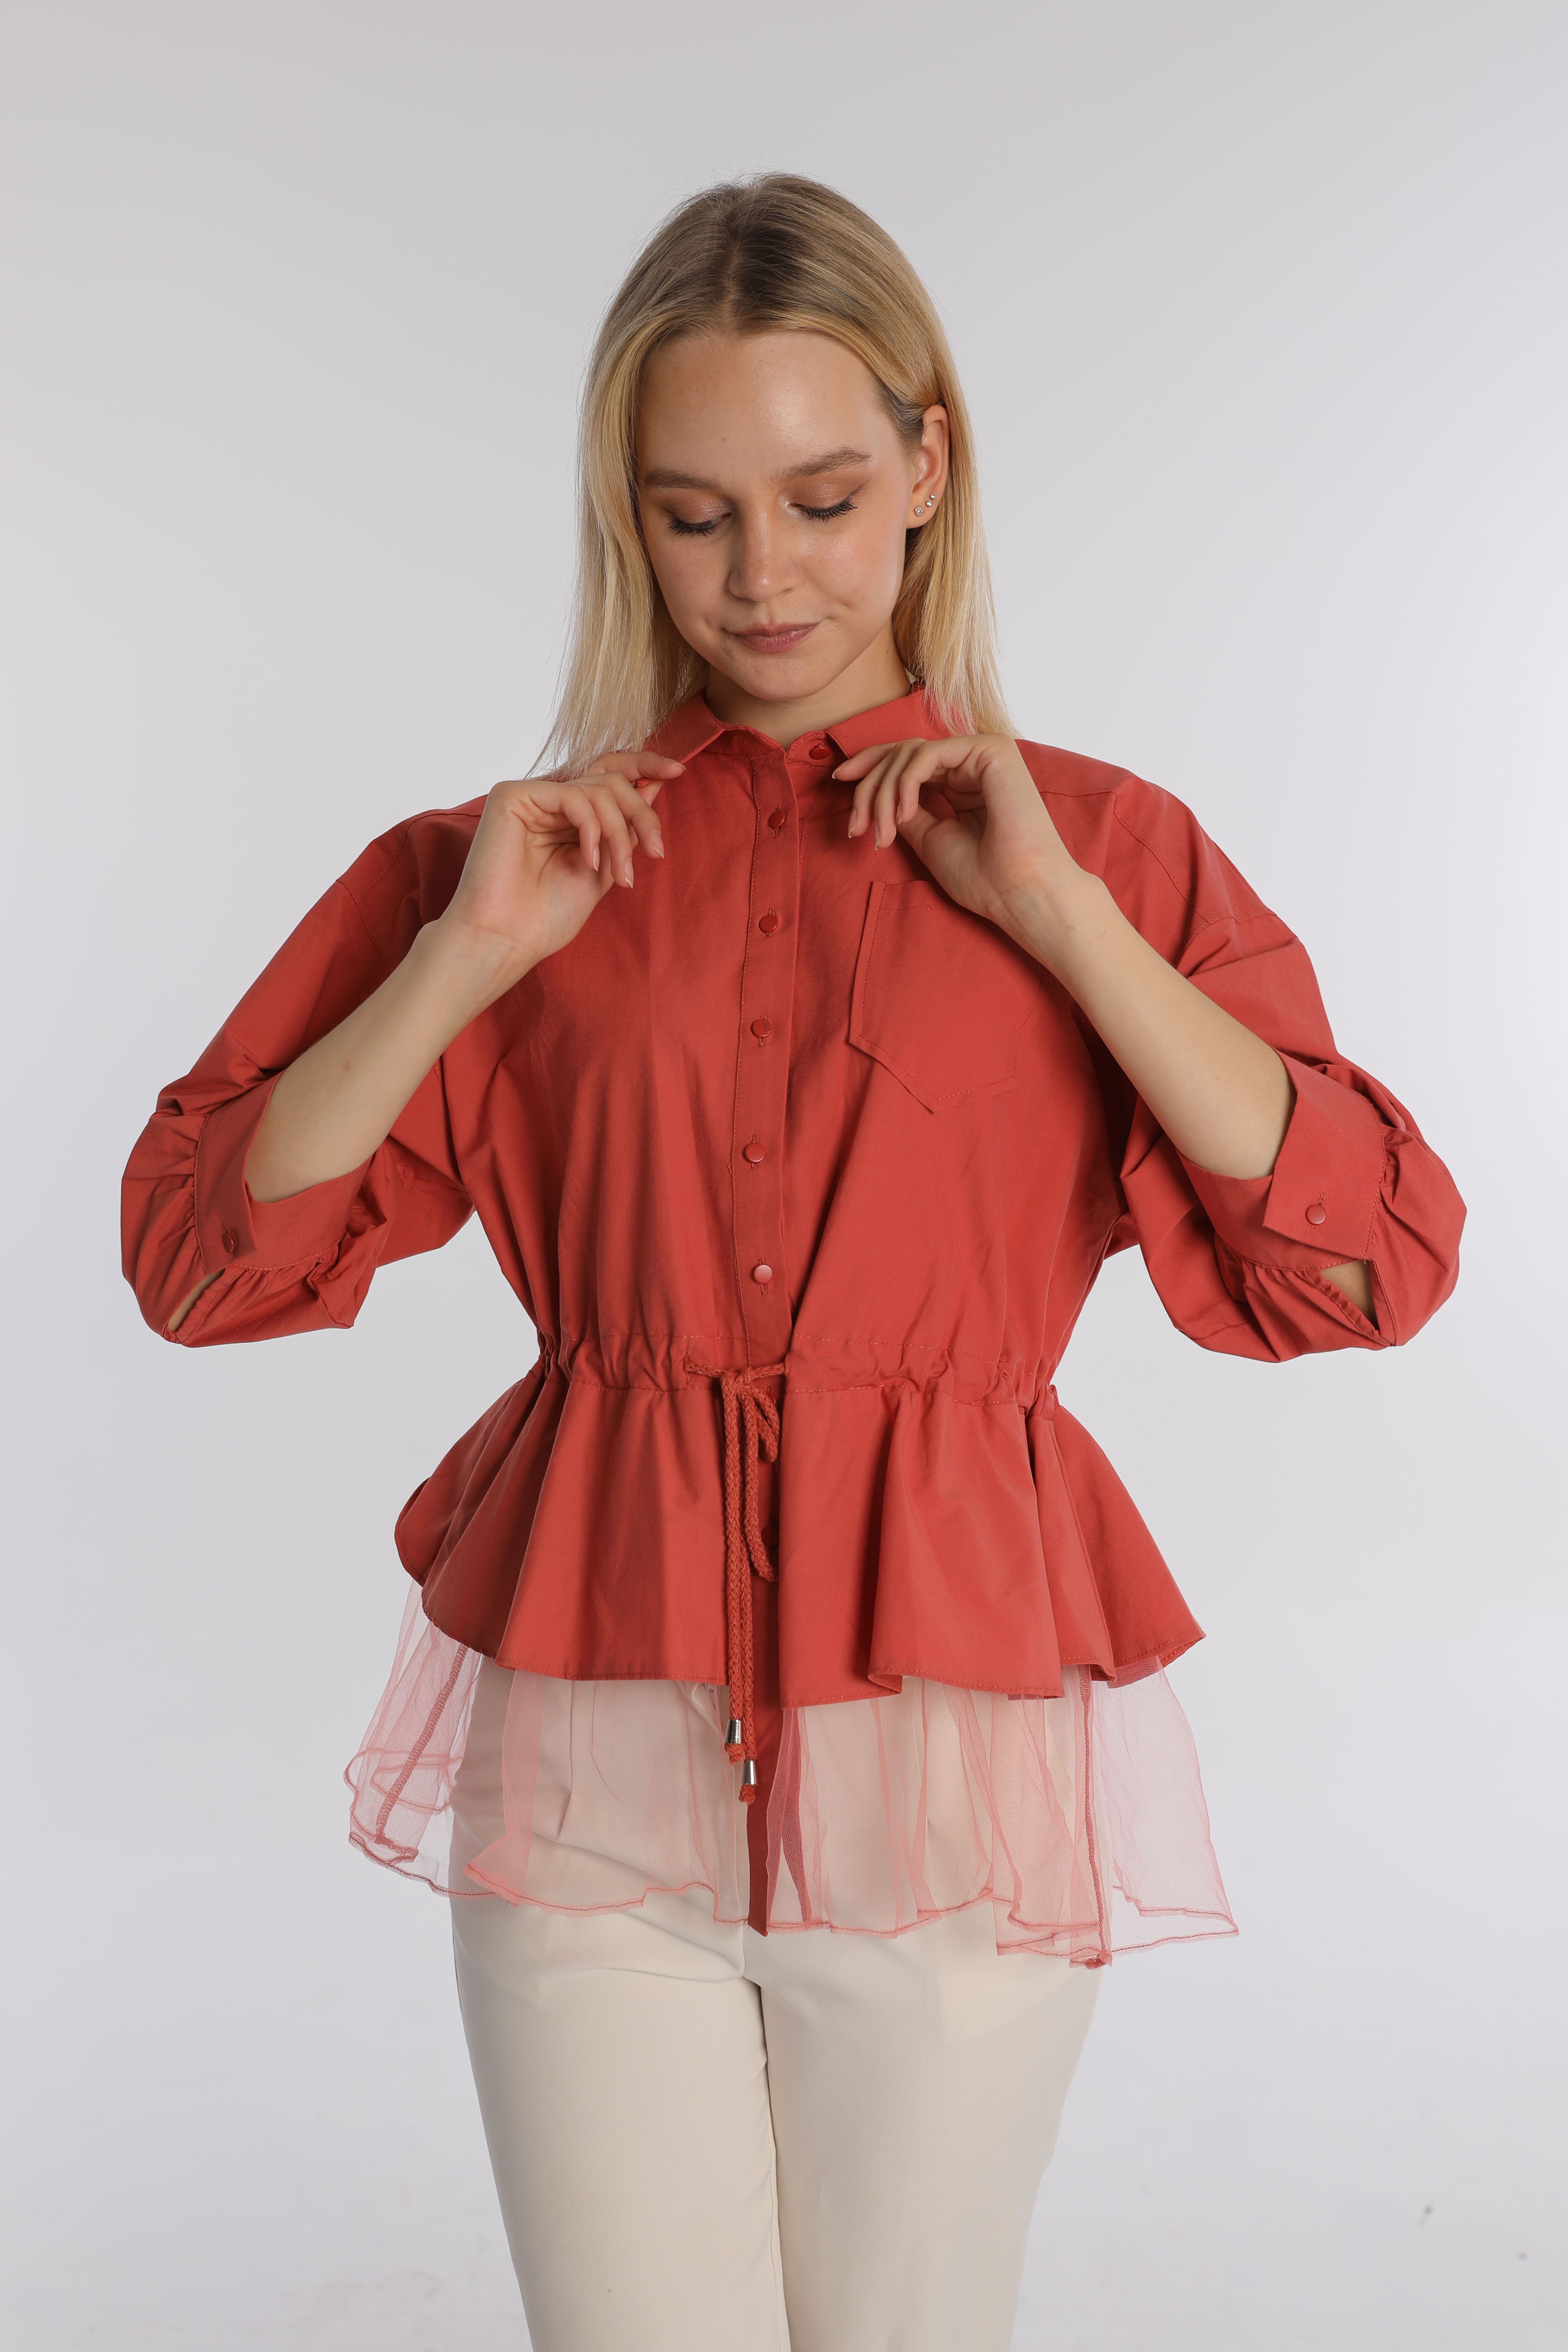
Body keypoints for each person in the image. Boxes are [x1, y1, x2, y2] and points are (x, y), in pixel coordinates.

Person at [121, 173, 1465, 2352]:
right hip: (592, 1767)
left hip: (949, 1767)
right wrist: (462, 962)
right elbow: (200, 1264)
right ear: (625, 522)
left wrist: (1066, 925)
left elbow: (1373, 1265)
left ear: (929, 467)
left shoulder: (1103, 853)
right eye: (694, 515)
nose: (764, 576)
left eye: (825, 500)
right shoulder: (507, 872)